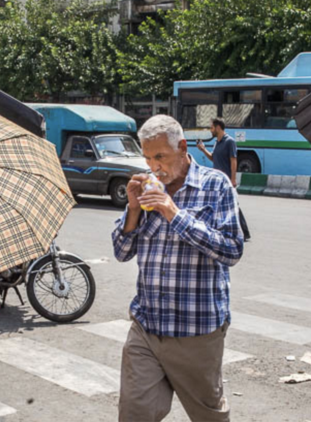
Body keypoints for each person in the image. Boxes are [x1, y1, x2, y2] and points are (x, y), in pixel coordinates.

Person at [114, 115, 244, 422]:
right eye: (147, 158)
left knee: (208, 415)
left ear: (183, 148)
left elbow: (231, 250)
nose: (154, 166)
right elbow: (121, 252)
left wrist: (174, 213)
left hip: (195, 332)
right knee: (134, 414)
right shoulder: (147, 190)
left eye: (160, 156)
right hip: (146, 327)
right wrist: (133, 209)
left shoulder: (215, 186)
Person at [196, 118, 251, 240]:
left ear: (218, 128)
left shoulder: (229, 141)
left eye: (211, 128)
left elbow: (233, 160)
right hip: (217, 180)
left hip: (227, 179)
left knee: (234, 205)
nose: (210, 130)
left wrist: (233, 178)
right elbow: (213, 158)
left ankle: (245, 232)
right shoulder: (217, 142)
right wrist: (203, 149)